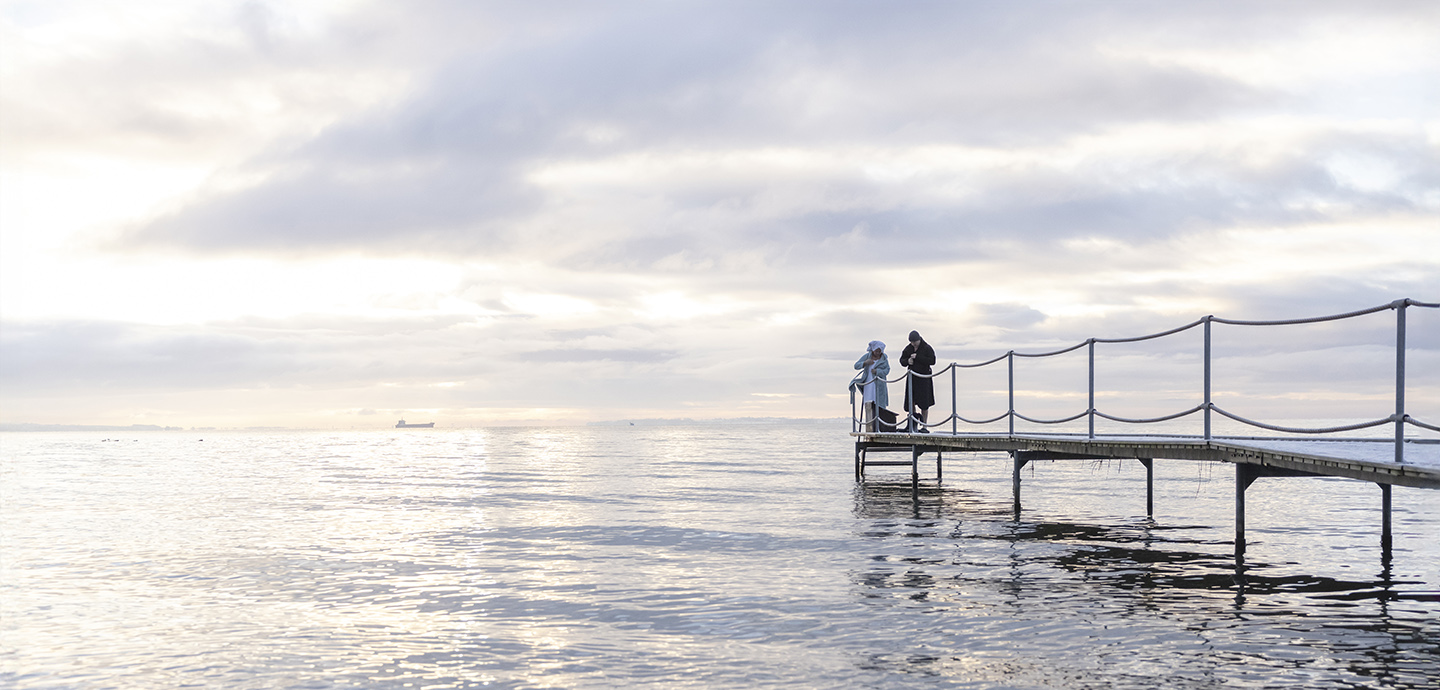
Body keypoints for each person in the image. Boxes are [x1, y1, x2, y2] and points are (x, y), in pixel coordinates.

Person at [900, 330, 936, 432]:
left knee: (924, 403)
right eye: (911, 342)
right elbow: (902, 360)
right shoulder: (908, 348)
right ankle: (912, 424)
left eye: (915, 342)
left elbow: (932, 361)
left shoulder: (927, 348)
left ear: (919, 339)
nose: (913, 344)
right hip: (912, 378)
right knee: (911, 401)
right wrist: (907, 361)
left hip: (924, 378)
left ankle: (924, 426)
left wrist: (918, 357)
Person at [852, 340, 889, 432]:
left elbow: (887, 370)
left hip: (879, 385)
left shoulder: (884, 358)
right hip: (868, 384)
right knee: (869, 404)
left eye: (879, 351)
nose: (878, 353)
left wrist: (877, 371)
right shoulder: (867, 356)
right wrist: (865, 363)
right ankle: (870, 425)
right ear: (873, 350)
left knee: (879, 404)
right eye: (876, 351)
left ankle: (879, 426)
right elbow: (856, 365)